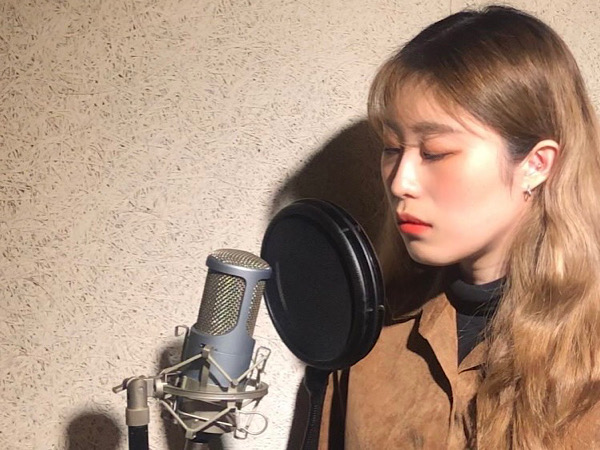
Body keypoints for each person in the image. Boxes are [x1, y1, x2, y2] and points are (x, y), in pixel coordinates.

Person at [319, 5, 600, 449]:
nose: (400, 181)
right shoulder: (371, 337)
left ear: (536, 164)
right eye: (392, 147)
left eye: (435, 152)